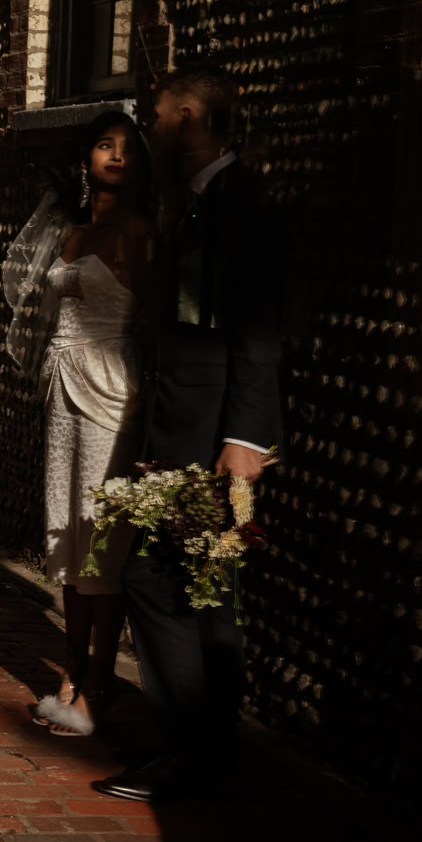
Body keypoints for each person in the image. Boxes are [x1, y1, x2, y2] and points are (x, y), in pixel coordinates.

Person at [94, 65, 285, 803]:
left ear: (192, 118)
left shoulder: (247, 205)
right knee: (206, 587)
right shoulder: (196, 203)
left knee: (156, 578)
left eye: (161, 114)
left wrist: (246, 437)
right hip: (180, 424)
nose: (152, 128)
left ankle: (189, 749)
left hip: (214, 433)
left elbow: (259, 331)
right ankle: (207, 750)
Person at [4, 112, 157, 737]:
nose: (116, 155)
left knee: (102, 539)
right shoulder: (69, 232)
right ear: (85, 157)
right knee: (66, 533)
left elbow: (151, 321)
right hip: (62, 389)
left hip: (111, 389)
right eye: (104, 144)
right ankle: (70, 669)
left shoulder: (142, 232)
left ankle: (98, 683)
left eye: (127, 147)